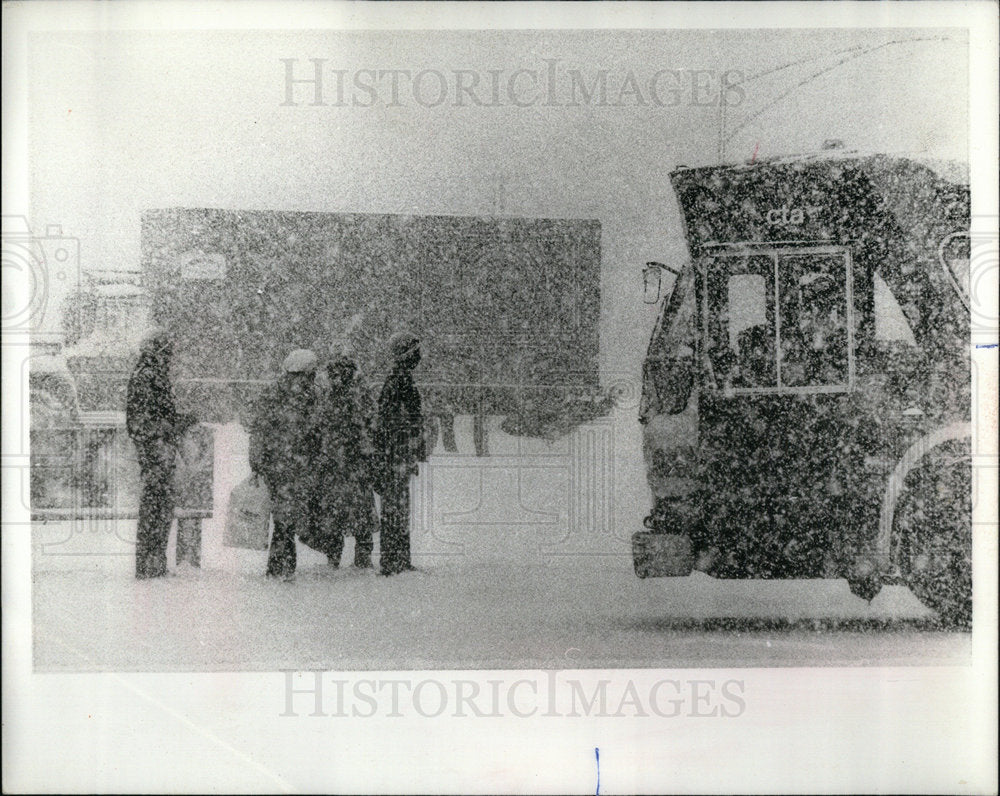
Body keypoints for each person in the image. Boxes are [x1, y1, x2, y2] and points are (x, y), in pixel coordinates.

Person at [125, 330, 196, 579]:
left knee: (156, 508)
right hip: (156, 452)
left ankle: (151, 563)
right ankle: (151, 564)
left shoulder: (146, 374)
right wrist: (176, 424)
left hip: (154, 452)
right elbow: (146, 421)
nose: (170, 359)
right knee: (157, 509)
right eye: (169, 353)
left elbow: (143, 419)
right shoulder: (150, 377)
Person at [249, 348, 320, 581]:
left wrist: (258, 460)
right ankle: (282, 567)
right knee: (285, 518)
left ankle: (280, 566)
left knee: (284, 518)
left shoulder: (276, 393)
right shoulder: (301, 396)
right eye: (311, 373)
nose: (313, 378)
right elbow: (312, 431)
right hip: (288, 464)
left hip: (280, 463)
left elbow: (259, 429)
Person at [305, 354, 377, 569]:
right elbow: (370, 426)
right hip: (353, 466)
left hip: (336, 466)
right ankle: (361, 558)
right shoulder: (360, 397)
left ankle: (335, 557)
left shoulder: (328, 399)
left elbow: (317, 428)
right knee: (359, 513)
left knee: (335, 515)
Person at [374, 331, 427, 576]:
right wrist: (408, 444)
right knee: (396, 507)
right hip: (396, 453)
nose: (419, 356)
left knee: (397, 507)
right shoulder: (399, 381)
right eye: (415, 351)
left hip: (396, 453)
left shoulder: (398, 379)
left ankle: (397, 559)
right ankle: (394, 560)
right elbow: (394, 421)